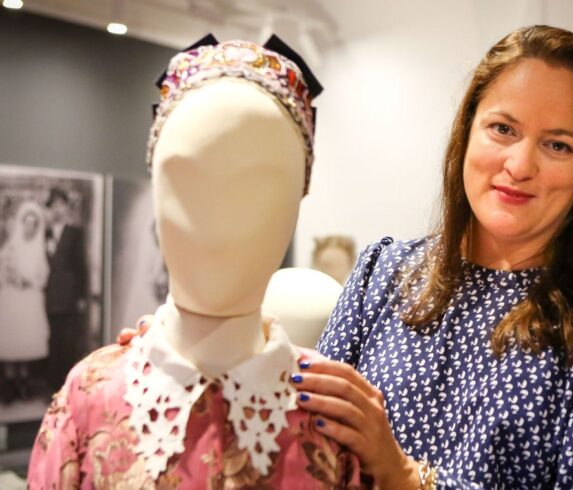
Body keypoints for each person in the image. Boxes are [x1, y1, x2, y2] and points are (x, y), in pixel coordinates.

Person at [293, 25, 573, 489]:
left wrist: (405, 476)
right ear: (467, 132)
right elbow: (306, 452)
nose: (520, 166)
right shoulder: (383, 273)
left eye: (557, 145)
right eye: (503, 129)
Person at [30, 36, 368, 489]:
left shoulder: (332, 412)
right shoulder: (89, 397)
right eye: (185, 177)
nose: (218, 220)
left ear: (297, 201)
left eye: (259, 187)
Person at [0, 200, 50, 402]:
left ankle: (23, 382)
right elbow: (2, 271)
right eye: (27, 223)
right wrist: (11, 278)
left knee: (26, 340)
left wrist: (30, 282)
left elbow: (43, 276)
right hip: (12, 298)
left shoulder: (39, 249)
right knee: (12, 339)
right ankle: (9, 384)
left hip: (30, 299)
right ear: (22, 224)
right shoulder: (11, 247)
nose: (30, 228)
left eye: (34, 224)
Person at [43, 187, 88, 389]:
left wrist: (81, 296)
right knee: (53, 338)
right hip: (50, 294)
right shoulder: (44, 233)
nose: (57, 209)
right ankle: (52, 384)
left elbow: (81, 265)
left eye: (60, 204)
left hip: (69, 295)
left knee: (68, 340)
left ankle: (68, 384)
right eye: (53, 205)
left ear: (66, 207)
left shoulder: (74, 232)